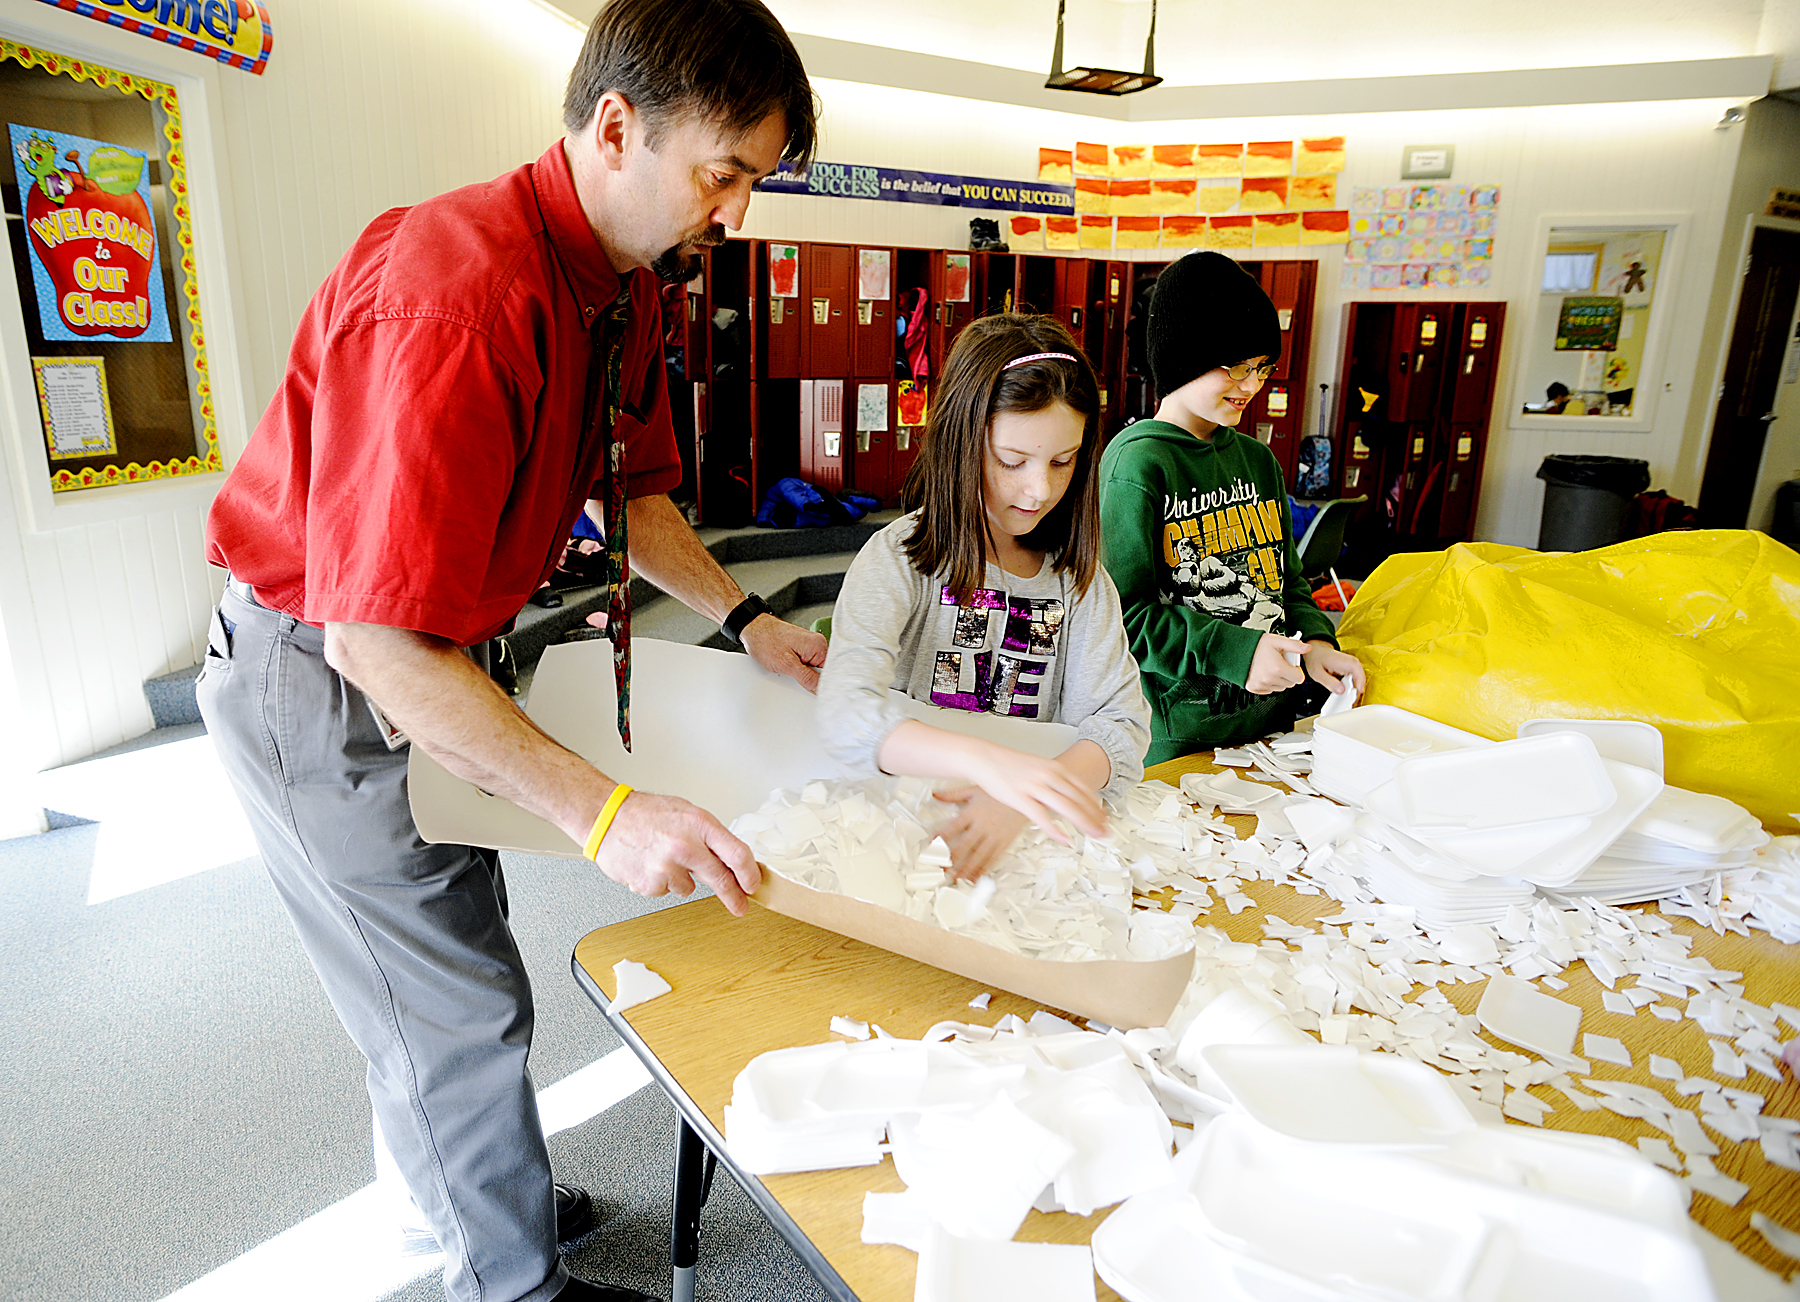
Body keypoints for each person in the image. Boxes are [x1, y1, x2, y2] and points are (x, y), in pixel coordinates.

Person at [195, 3, 823, 1301]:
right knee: (450, 1002)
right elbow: (373, 640)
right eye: (724, 173)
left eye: (753, 182)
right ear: (615, 128)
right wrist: (607, 814)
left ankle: (475, 1194)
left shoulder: (618, 284)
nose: (737, 212)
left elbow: (635, 495)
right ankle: (508, 1281)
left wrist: (746, 618)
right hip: (323, 670)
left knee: (456, 954)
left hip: (431, 649)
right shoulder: (461, 294)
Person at [817, 315, 1151, 879]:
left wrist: (1031, 793)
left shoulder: (1079, 580)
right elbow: (846, 713)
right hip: (907, 842)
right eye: (1012, 461)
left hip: (1023, 854)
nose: (1040, 489)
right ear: (961, 443)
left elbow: (1120, 725)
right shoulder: (900, 557)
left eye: (1063, 461)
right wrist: (991, 765)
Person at [1098, 252, 1364, 766]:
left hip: (1270, 727)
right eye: (1239, 368)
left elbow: (1289, 581)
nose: (1253, 386)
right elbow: (1123, 617)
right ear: (1184, 358)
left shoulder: (1258, 460)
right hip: (1178, 739)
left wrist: (1317, 643)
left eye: (1262, 368)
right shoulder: (1138, 463)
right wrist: (1236, 654)